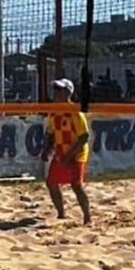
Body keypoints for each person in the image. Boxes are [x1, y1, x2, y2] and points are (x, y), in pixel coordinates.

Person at [41, 78, 92, 225]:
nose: (56, 92)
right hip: (61, 152)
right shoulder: (53, 112)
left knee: (76, 185)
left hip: (77, 153)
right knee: (51, 183)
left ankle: (87, 217)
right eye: (55, 89)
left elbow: (84, 137)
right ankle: (61, 214)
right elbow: (51, 134)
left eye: (59, 89)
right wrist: (47, 150)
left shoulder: (75, 112)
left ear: (68, 93)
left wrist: (70, 155)